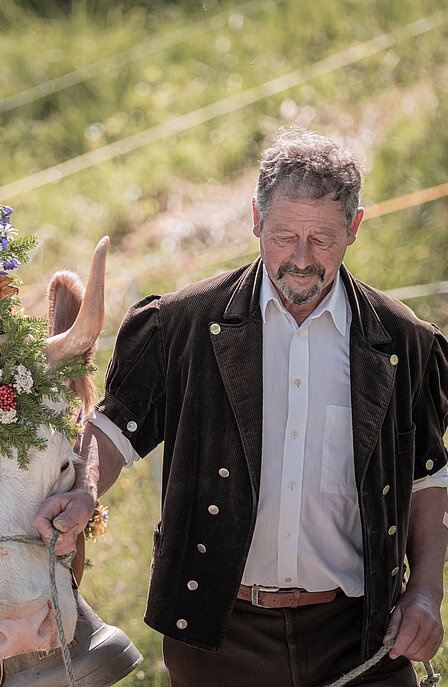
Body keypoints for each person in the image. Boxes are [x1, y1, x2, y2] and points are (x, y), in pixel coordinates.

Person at [34, 128, 448, 686]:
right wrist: (84, 491)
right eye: (282, 236)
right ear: (255, 220)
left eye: (322, 239)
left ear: (354, 227)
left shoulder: (403, 343)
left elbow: (428, 477)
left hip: (361, 634)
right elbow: (113, 429)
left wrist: (423, 592)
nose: (301, 260)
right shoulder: (181, 325)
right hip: (217, 634)